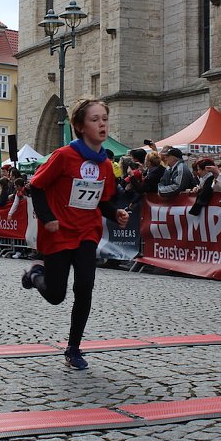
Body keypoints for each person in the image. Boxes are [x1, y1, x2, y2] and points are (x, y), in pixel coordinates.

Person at [21, 99, 129, 370]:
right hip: (59, 232)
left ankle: (74, 349)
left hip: (87, 232)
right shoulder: (63, 156)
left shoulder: (105, 164)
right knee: (56, 295)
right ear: (80, 126)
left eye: (104, 118)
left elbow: (102, 201)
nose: (102, 124)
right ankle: (35, 274)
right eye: (95, 119)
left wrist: (115, 213)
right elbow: (36, 187)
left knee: (84, 288)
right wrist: (47, 219)